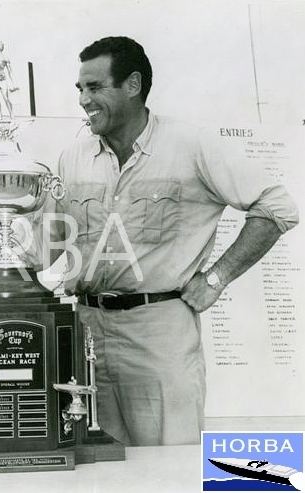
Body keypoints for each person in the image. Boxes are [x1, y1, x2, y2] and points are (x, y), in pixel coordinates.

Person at [33, 37, 298, 446]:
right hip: (83, 333)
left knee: (170, 468)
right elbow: (48, 247)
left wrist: (216, 278)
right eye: (80, 89)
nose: (84, 100)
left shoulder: (191, 145)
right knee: (93, 470)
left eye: (94, 87)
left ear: (133, 85)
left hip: (159, 334)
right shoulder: (72, 157)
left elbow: (277, 207)